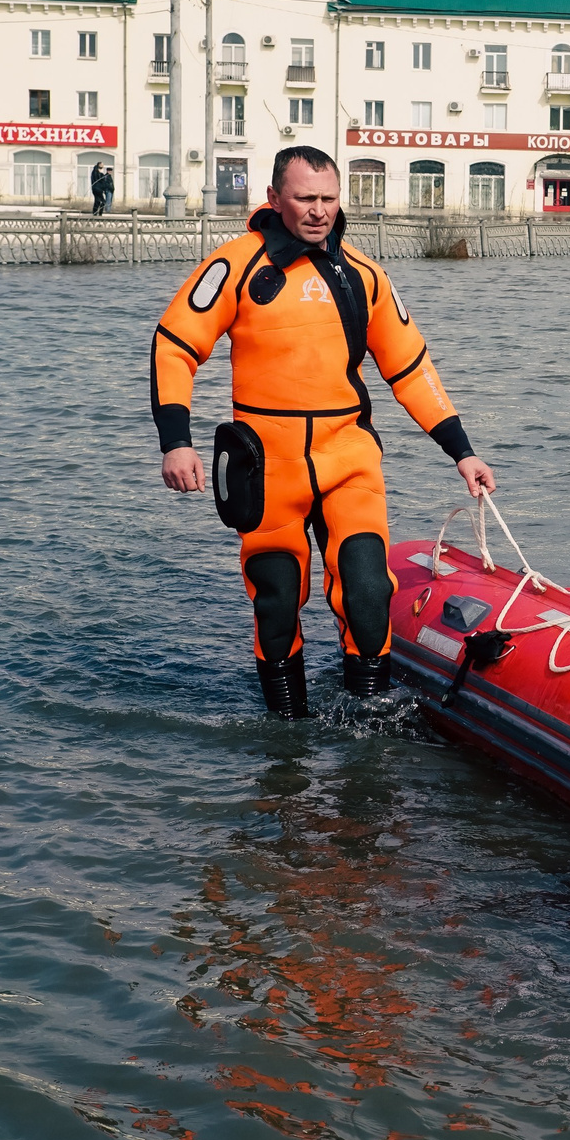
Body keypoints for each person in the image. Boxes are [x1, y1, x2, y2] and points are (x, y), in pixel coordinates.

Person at [152, 146, 497, 718]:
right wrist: (176, 440)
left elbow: (410, 369)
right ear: (274, 200)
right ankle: (286, 733)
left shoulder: (364, 274)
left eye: (329, 200)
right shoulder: (235, 265)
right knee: (277, 602)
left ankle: (370, 725)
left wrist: (461, 450)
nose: (318, 211)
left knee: (368, 592)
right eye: (305, 199)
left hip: (348, 458)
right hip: (266, 466)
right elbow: (174, 344)